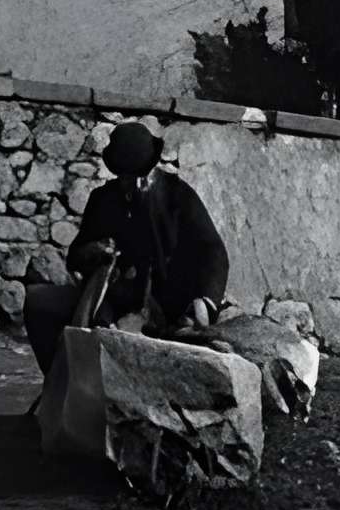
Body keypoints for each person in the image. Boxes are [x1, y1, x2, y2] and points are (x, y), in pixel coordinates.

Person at [21, 123, 231, 377]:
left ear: (152, 169)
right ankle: (59, 383)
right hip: (108, 301)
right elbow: (75, 256)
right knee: (38, 302)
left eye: (141, 176)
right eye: (127, 177)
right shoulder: (103, 199)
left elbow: (213, 250)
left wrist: (205, 301)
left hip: (166, 306)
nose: (133, 184)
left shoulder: (178, 196)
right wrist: (94, 251)